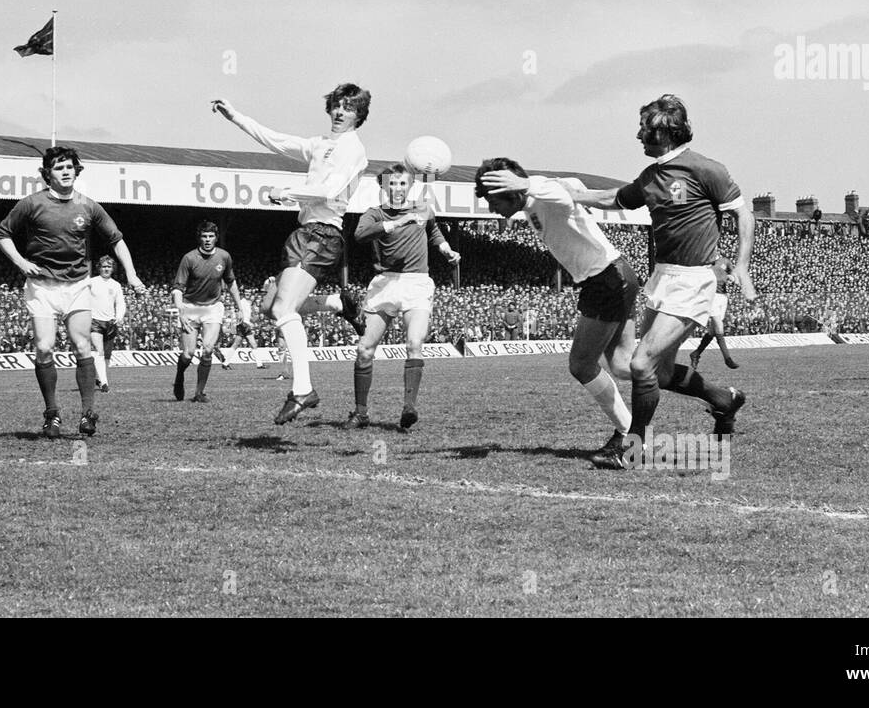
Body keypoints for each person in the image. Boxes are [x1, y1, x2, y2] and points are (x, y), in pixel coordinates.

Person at [561, 95, 753, 450]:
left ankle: (631, 448)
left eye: (644, 129)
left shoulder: (705, 168)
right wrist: (576, 195)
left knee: (641, 363)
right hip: (662, 278)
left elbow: (744, 214)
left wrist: (741, 266)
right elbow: (616, 199)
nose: (638, 136)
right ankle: (724, 399)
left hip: (694, 280)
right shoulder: (650, 177)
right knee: (659, 373)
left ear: (666, 131)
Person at [211, 84, 370, 424]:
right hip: (303, 232)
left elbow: (329, 190)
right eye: (336, 106)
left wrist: (285, 193)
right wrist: (235, 116)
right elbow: (274, 139)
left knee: (283, 307)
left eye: (349, 108)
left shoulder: (353, 148)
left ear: (359, 115)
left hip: (323, 233)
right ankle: (338, 304)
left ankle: (302, 390)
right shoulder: (320, 145)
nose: (340, 112)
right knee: (271, 307)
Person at [476, 158, 641, 468]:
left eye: (492, 199)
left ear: (510, 190)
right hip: (613, 277)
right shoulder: (533, 197)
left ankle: (629, 433)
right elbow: (573, 186)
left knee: (581, 364)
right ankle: (713, 394)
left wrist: (526, 185)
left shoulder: (540, 194)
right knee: (622, 365)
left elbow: (563, 195)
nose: (491, 208)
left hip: (607, 278)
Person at [0, 146, 145, 438]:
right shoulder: (31, 204)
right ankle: (52, 414)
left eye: (69, 167)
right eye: (58, 168)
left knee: (81, 345)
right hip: (42, 287)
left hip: (77, 285)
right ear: (46, 174)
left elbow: (117, 240)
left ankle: (88, 414)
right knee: (44, 347)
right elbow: (2, 233)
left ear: (77, 171)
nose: (64, 172)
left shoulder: (88, 207)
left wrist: (132, 274)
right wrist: (21, 263)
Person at [347, 164, 462, 430]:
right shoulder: (373, 214)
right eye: (392, 184)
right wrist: (397, 222)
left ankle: (409, 407)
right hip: (385, 284)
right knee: (364, 349)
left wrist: (447, 251)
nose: (397, 188)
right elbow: (360, 235)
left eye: (402, 184)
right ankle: (361, 412)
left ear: (410, 186)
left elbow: (433, 232)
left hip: (416, 282)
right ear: (383, 187)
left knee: (414, 343)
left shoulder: (423, 208)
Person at [170, 221, 247, 403]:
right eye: (204, 236)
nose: (207, 240)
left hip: (213, 307)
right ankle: (179, 375)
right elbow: (177, 288)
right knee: (188, 354)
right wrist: (180, 310)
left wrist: (240, 307)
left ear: (216, 238)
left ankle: (199, 392)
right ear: (199, 238)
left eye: (211, 236)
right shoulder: (189, 259)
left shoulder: (224, 257)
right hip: (191, 307)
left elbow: (231, 282)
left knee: (207, 349)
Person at [689, 256, 740, 371]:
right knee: (719, 326)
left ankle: (696, 354)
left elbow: (734, 275)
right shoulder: (704, 263)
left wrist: (733, 278)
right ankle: (727, 358)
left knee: (713, 330)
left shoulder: (725, 261)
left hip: (723, 297)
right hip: (712, 296)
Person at [88, 255, 126, 393]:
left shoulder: (116, 285)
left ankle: (99, 378)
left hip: (110, 322)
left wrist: (119, 316)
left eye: (109, 266)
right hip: (94, 321)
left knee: (107, 356)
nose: (106, 269)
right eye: (104, 266)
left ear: (112, 268)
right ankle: (104, 384)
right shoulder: (91, 282)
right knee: (99, 352)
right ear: (99, 267)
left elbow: (120, 303)